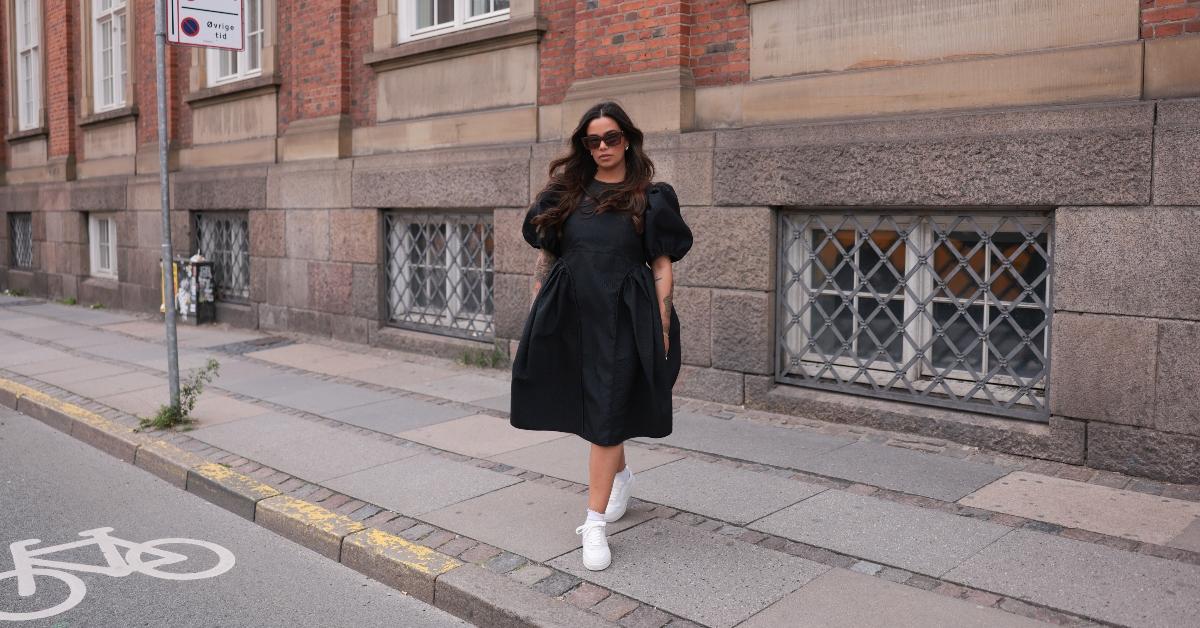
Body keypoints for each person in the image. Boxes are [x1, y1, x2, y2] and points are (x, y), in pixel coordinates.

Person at [510, 101, 693, 571]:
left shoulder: (650, 196)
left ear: (627, 138)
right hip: (571, 311)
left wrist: (664, 326)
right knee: (599, 405)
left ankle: (593, 524)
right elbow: (547, 256)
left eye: (611, 138)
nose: (603, 147)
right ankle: (621, 477)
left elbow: (661, 266)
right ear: (583, 145)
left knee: (608, 405)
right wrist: (537, 315)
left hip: (626, 313)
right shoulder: (565, 192)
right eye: (593, 140)